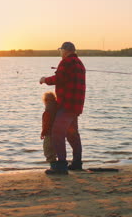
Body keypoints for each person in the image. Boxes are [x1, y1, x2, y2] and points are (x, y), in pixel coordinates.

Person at [40, 41, 86, 174]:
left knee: (57, 133)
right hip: (76, 105)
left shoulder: (66, 62)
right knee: (72, 135)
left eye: (61, 51)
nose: (60, 53)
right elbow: (66, 78)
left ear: (65, 51)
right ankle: (77, 163)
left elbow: (58, 79)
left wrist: (44, 79)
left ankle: (61, 165)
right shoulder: (79, 63)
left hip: (66, 105)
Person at [41, 92, 58, 169]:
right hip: (58, 133)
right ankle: (56, 165)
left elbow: (46, 123)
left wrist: (43, 132)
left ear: (46, 101)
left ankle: (53, 166)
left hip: (49, 133)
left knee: (47, 149)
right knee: (54, 149)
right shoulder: (57, 108)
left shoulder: (48, 111)